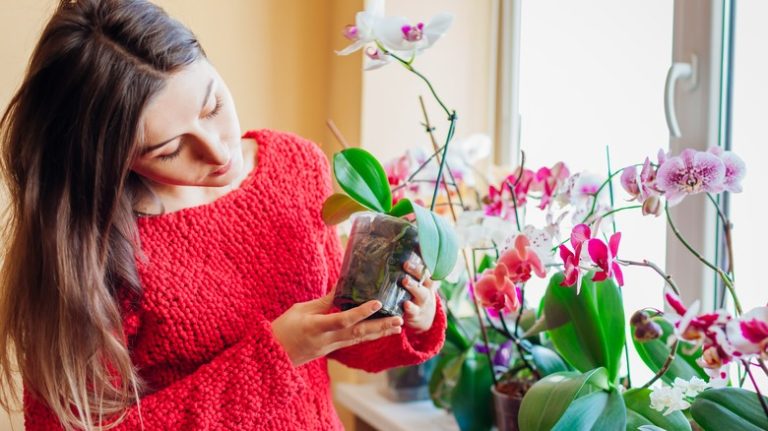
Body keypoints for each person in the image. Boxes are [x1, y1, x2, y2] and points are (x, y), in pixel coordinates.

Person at [0, 1, 446, 429]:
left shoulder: (294, 165)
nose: (217, 151)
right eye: (170, 148)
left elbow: (338, 332)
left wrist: (410, 314)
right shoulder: (90, 249)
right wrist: (274, 358)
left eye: (212, 106)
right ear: (111, 158)